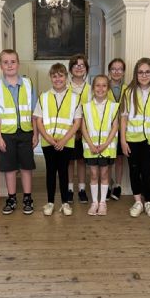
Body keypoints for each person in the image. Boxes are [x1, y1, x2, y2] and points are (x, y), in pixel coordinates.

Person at [0, 49, 38, 215]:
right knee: (9, 168)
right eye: (5, 62)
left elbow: (34, 112)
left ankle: (27, 198)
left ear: (18, 64)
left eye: (13, 62)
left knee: (26, 167)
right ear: (1, 65)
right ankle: (11, 198)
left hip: (26, 132)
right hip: (6, 134)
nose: (9, 65)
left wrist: (36, 133)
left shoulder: (28, 84)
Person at [34, 63, 82, 216]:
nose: (58, 79)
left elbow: (77, 123)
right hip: (48, 142)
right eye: (54, 76)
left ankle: (65, 203)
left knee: (63, 172)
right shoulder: (43, 97)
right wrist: (48, 138)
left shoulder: (75, 97)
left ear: (66, 77)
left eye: (61, 76)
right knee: (50, 172)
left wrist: (63, 140)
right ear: (50, 77)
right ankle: (50, 203)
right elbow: (38, 120)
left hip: (66, 142)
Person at [121, 58, 150, 218]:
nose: (144, 75)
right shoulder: (128, 92)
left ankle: (148, 202)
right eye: (141, 72)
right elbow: (123, 117)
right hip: (132, 139)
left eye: (147, 72)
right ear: (136, 74)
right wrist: (123, 141)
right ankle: (138, 201)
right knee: (134, 170)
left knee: (147, 171)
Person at [82, 75, 119, 216]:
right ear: (93, 88)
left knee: (104, 174)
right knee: (93, 174)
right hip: (90, 147)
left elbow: (115, 127)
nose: (101, 88)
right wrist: (91, 144)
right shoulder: (86, 107)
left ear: (108, 88)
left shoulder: (113, 106)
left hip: (106, 147)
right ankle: (94, 203)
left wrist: (105, 144)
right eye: (97, 85)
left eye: (104, 85)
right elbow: (83, 128)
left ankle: (103, 203)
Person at [67, 54, 91, 204]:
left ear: (86, 69)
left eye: (82, 65)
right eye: (75, 65)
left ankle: (82, 189)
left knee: (82, 161)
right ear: (70, 69)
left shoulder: (91, 89)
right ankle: (69, 189)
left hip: (85, 131)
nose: (79, 68)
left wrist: (84, 130)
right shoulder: (65, 87)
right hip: (69, 130)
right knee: (69, 161)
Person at [107, 58, 127, 201]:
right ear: (109, 71)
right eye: (113, 69)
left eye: (120, 69)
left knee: (119, 158)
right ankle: (107, 185)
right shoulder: (103, 86)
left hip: (123, 129)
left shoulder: (128, 88)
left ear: (124, 72)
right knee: (108, 159)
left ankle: (118, 185)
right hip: (107, 130)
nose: (116, 72)